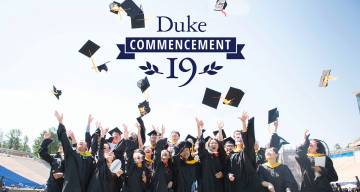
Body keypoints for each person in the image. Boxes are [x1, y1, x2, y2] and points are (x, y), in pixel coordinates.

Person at [55, 111, 95, 192]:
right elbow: (65, 141)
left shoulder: (90, 159)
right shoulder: (71, 154)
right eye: (80, 141)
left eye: (83, 142)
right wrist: (60, 122)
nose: (81, 141)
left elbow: (94, 146)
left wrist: (89, 124)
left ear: (86, 147)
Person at [228, 112, 264, 192]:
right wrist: (229, 174)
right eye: (236, 136)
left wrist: (243, 123)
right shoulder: (231, 154)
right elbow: (228, 169)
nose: (238, 137)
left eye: (240, 135)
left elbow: (248, 141)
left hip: (250, 185)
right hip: (236, 185)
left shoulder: (248, 151)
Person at [197, 119, 225, 192]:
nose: (213, 144)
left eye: (215, 143)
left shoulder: (221, 156)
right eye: (211, 143)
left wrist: (223, 173)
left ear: (218, 146)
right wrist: (199, 128)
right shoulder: (205, 155)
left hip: (219, 185)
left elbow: (221, 143)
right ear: (208, 146)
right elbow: (201, 143)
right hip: (207, 185)